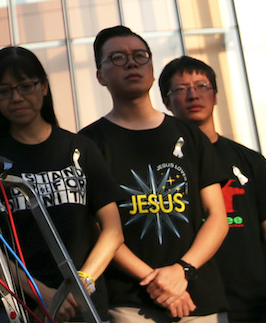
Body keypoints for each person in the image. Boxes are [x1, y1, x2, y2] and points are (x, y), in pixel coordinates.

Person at [79, 26, 229, 323]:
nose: (132, 63)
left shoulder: (190, 135)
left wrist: (183, 271)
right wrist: (156, 280)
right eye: (118, 57)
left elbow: (217, 216)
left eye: (140, 56)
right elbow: (98, 229)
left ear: (151, 67)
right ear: (99, 75)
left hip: (200, 297)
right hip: (131, 304)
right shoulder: (87, 144)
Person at [0, 46, 124, 321]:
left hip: (85, 307)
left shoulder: (81, 149)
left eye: (25, 86)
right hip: (19, 308)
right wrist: (40, 292)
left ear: (43, 87)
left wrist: (81, 285)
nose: (17, 97)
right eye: (4, 91)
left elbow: (113, 231)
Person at [160, 56, 266, 323]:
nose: (193, 95)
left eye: (202, 85)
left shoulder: (250, 161)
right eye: (181, 89)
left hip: (258, 305)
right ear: (166, 102)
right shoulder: (162, 165)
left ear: (216, 95)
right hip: (193, 308)